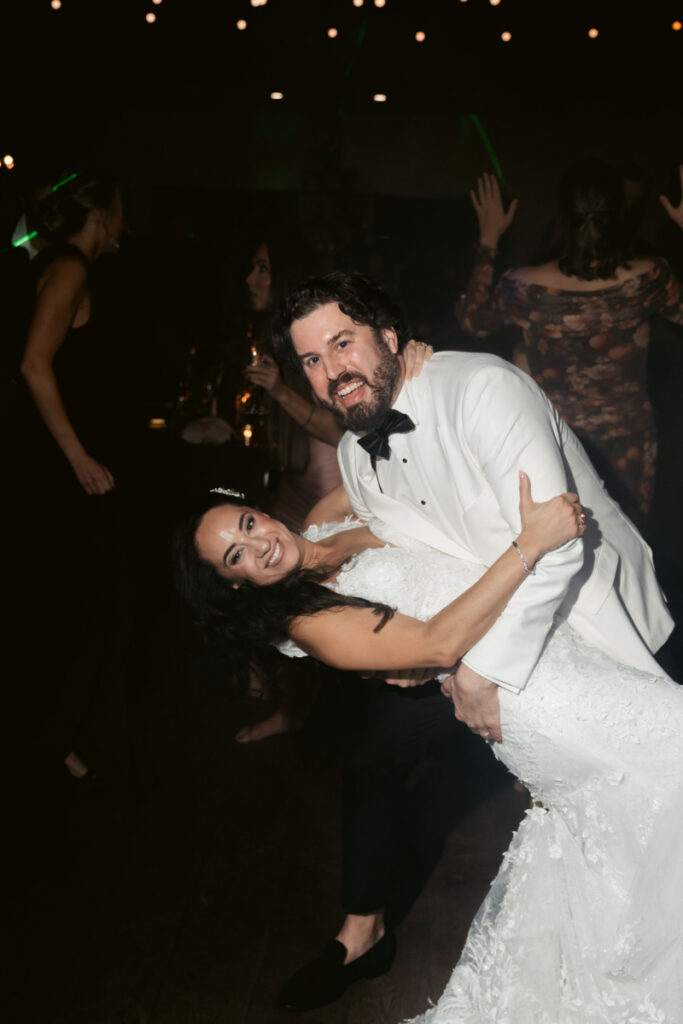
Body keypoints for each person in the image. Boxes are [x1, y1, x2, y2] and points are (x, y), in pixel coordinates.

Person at [260, 268, 675, 1009]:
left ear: (390, 339)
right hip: (482, 627)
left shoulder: (482, 389)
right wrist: (412, 652)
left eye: (343, 343)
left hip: (588, 612)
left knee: (645, 790)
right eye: (312, 361)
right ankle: (363, 929)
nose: (331, 371)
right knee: (373, 745)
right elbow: (406, 543)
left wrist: (475, 668)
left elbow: (558, 545)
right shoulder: (358, 456)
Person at [175, 479, 683, 1019]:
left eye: (249, 524)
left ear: (258, 510)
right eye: (238, 556)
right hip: (534, 696)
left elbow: (404, 467)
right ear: (236, 584)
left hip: (556, 639)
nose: (260, 545)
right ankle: (361, 934)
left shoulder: (326, 515)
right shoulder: (307, 621)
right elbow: (440, 641)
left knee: (635, 827)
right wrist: (530, 545)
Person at [459, 163, 683, 527]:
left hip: (554, 440)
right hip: (627, 441)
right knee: (628, 546)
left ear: (562, 215)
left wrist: (488, 238)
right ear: (620, 214)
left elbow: (472, 321)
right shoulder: (648, 277)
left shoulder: (524, 286)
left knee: (562, 547)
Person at [15, 171, 124, 781]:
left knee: (65, 608)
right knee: (71, 610)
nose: (124, 221)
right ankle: (48, 740)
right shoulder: (71, 268)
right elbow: (33, 364)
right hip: (53, 473)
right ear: (101, 215)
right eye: (120, 208)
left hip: (54, 468)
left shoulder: (71, 266)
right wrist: (79, 457)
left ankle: (53, 735)